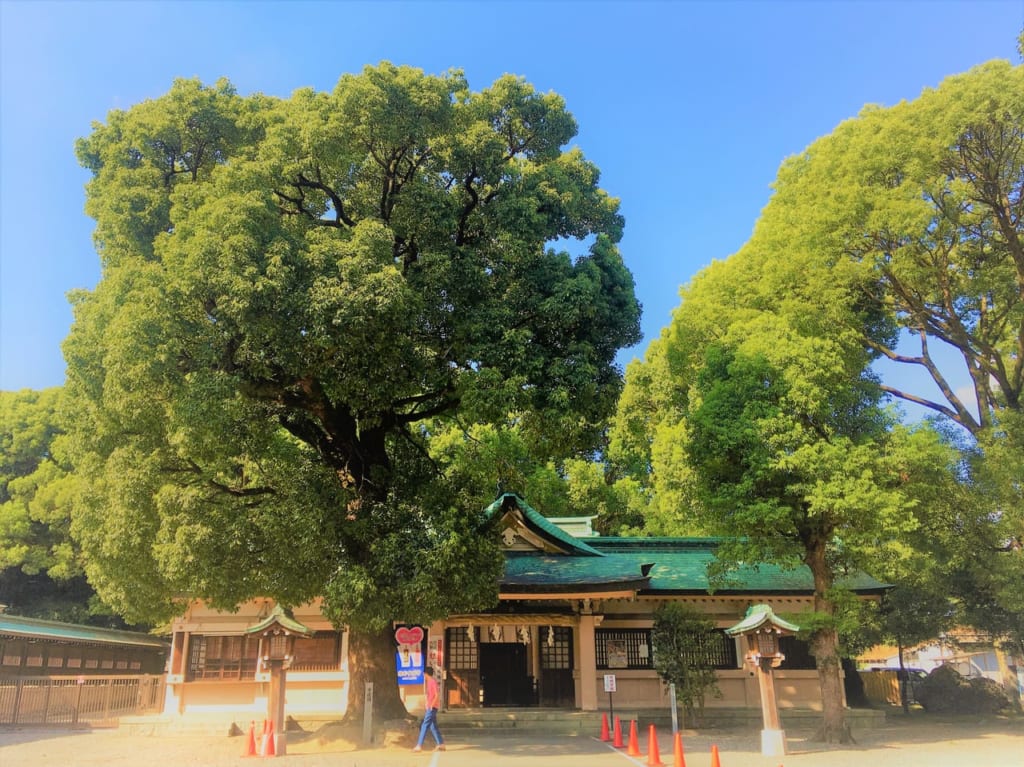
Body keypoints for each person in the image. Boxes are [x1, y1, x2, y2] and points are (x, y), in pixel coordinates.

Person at [413, 665, 445, 752]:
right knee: (433, 726)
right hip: (430, 707)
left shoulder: (432, 682)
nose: (423, 675)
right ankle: (441, 744)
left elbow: (436, 695)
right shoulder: (429, 682)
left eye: (424, 674)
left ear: (426, 674)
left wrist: (431, 705)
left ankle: (419, 745)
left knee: (425, 725)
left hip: (432, 707)